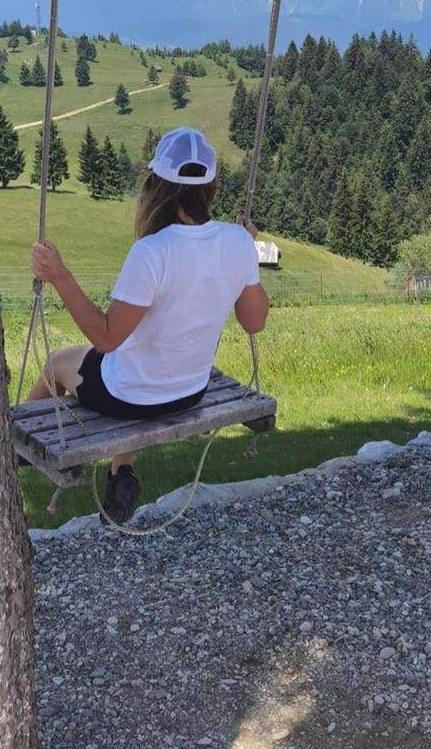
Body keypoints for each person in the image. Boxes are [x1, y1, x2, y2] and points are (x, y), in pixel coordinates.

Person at [29, 127, 269, 525]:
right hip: (188, 391)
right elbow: (254, 322)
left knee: (58, 363)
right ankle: (120, 472)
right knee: (131, 362)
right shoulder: (237, 241)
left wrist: (61, 277)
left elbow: (106, 338)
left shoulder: (151, 252)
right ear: (211, 187)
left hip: (129, 396)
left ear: (156, 185)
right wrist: (244, 252)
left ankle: (19, 449)